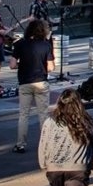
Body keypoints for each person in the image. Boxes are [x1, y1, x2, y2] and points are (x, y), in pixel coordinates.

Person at [10, 19, 55, 153]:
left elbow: (12, 65)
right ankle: (46, 145)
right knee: (43, 114)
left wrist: (22, 65)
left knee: (24, 115)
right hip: (41, 81)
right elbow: (51, 67)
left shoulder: (19, 44)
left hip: (25, 82)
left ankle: (20, 144)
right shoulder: (46, 45)